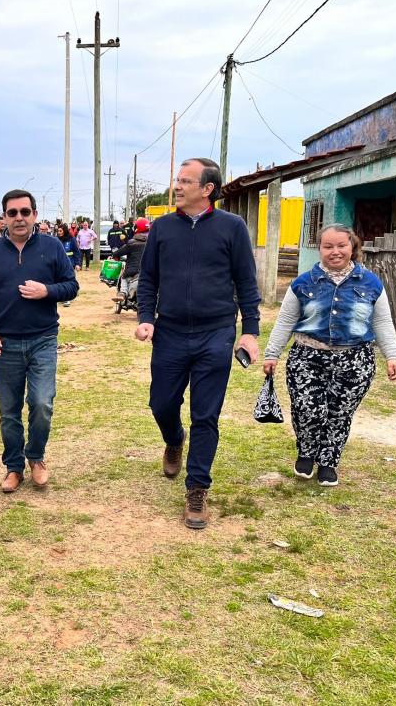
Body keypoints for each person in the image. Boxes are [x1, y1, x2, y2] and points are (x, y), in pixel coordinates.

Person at [135, 157, 261, 530]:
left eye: (185, 181)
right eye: (177, 179)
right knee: (161, 404)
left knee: (206, 414)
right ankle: (174, 440)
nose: (177, 186)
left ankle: (197, 490)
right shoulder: (162, 228)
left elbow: (246, 283)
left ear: (207, 189)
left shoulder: (232, 228)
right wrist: (145, 318)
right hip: (170, 332)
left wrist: (249, 331)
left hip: (215, 333)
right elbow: (148, 279)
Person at [263, 224, 396, 487]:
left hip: (355, 360)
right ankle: (306, 452)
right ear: (320, 249)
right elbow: (285, 322)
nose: (335, 251)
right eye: (328, 246)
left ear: (352, 247)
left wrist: (392, 356)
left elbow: (382, 322)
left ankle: (328, 462)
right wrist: (272, 354)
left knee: (340, 413)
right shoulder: (303, 283)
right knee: (308, 409)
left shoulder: (371, 283)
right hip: (307, 357)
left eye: (341, 246)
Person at [0, 189, 79, 492]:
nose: (19, 218)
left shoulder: (52, 246)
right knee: (8, 410)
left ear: (34, 215)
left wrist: (48, 291)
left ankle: (37, 457)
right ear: (3, 218)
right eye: (12, 213)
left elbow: (71, 286)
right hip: (4, 343)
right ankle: (14, 466)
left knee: (42, 403)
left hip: (43, 339)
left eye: (25, 212)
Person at [110, 218, 149, 303]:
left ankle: (123, 293)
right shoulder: (152, 242)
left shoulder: (132, 243)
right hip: (149, 272)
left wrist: (113, 256)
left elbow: (117, 253)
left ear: (136, 229)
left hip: (133, 271)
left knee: (124, 277)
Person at [54, 222, 80, 307]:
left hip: (70, 263)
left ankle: (67, 299)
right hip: (58, 264)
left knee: (67, 281)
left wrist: (77, 263)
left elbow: (76, 252)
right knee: (59, 281)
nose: (59, 232)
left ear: (64, 231)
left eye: (60, 231)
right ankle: (62, 297)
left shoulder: (71, 239)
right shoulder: (56, 240)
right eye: (58, 231)